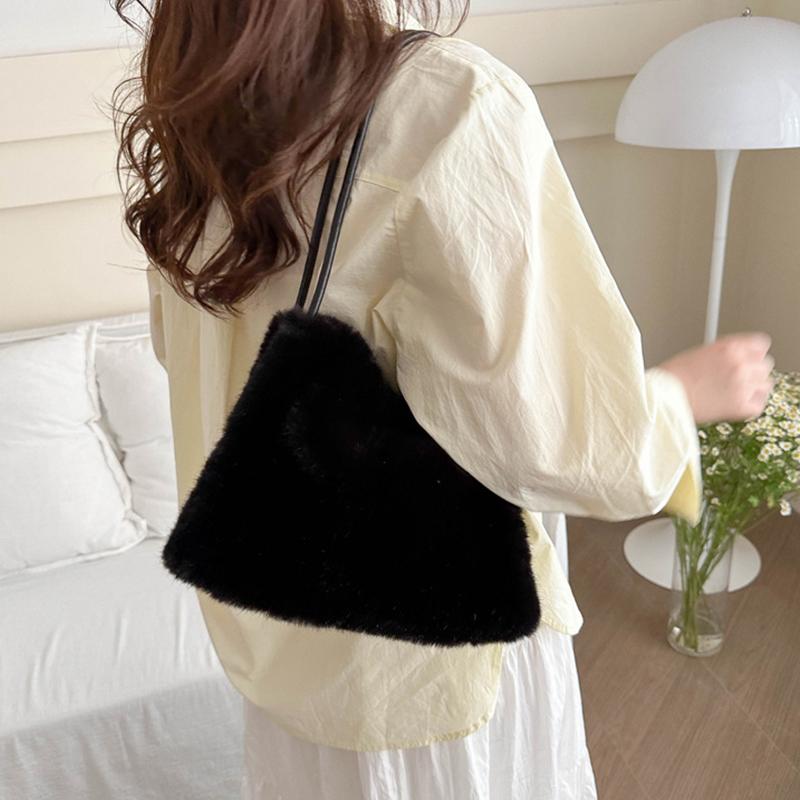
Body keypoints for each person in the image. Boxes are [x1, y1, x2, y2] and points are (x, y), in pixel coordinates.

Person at [113, 1, 775, 797]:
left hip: (279, 653)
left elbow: (189, 359)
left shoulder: (194, 106)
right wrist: (678, 396)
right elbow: (554, 439)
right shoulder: (446, 104)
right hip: (425, 676)